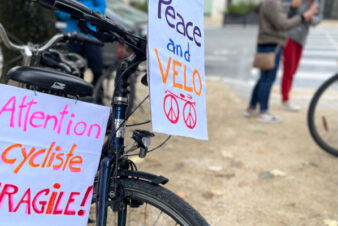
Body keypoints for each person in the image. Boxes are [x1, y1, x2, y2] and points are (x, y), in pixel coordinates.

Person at [245, 0, 318, 123]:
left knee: (264, 78)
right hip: (271, 44)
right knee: (267, 79)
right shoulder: (273, 3)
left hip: (270, 44)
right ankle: (263, 111)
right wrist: (302, 17)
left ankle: (251, 108)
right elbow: (282, 24)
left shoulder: (273, 2)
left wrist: (293, 9)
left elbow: (281, 20)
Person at [281, 0, 325, 111]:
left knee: (293, 70)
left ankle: (286, 97)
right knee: (289, 69)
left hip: (302, 38)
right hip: (289, 34)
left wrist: (310, 18)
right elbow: (282, 7)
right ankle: (285, 99)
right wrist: (293, 6)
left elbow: (319, 18)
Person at [55, 0, 106, 87]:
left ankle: (98, 95)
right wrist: (71, 14)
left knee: (97, 70)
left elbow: (102, 6)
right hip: (74, 35)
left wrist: (89, 13)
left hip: (91, 36)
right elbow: (58, 9)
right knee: (73, 69)